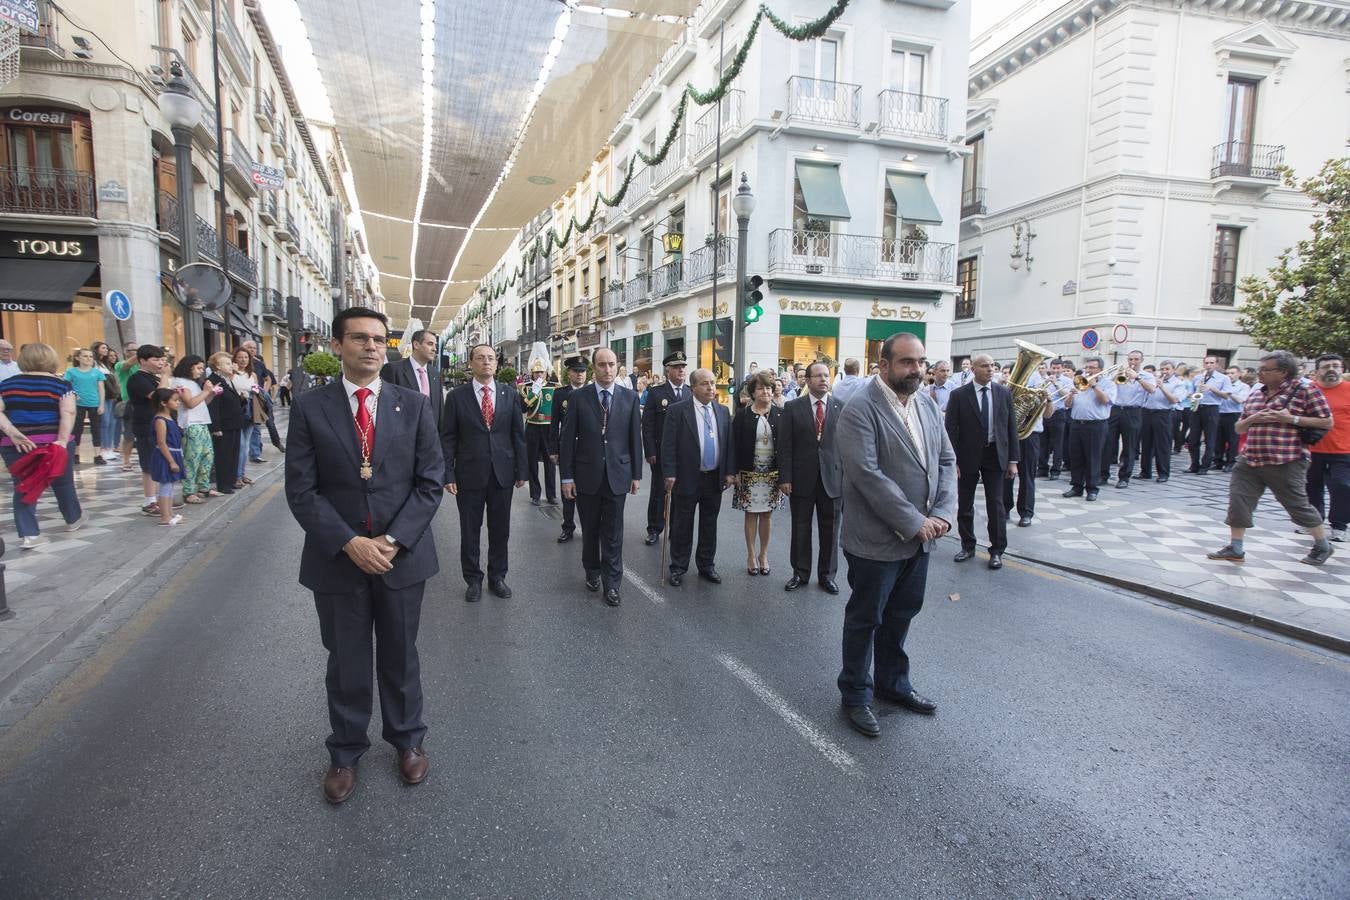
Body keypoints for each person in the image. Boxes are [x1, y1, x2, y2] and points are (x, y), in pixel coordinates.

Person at [284, 306, 443, 805]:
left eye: (378, 339)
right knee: (346, 658)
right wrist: (349, 542)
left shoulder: (413, 405)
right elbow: (301, 489)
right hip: (338, 559)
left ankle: (407, 740)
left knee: (401, 654)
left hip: (402, 557)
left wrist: (393, 540)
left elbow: (430, 482)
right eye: (359, 338)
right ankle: (346, 750)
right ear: (337, 346)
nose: (371, 346)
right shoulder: (310, 408)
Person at [836, 332, 955, 738]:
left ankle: (893, 683)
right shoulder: (860, 409)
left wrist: (941, 513)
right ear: (883, 365)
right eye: (907, 362)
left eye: (921, 362)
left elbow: (946, 459)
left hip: (921, 537)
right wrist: (913, 521)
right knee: (866, 620)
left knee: (902, 614)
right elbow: (867, 475)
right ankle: (855, 694)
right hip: (876, 541)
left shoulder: (926, 403)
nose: (916, 370)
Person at [1206, 350, 1334, 567]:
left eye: (1266, 370)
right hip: (1250, 458)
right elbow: (1239, 427)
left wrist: (1291, 418)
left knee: (1297, 505)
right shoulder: (1256, 393)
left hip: (1286, 459)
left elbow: (1327, 421)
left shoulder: (1305, 390)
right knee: (1238, 502)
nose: (1260, 373)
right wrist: (1253, 419)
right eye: (1260, 369)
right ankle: (1235, 547)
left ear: (1283, 372)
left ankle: (1322, 544)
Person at [441, 343, 526, 602]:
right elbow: (448, 438)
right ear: (471, 363)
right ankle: (473, 580)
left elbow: (518, 435)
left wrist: (522, 470)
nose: (486, 362)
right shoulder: (456, 397)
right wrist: (448, 473)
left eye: (490, 358)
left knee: (500, 529)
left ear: (496, 364)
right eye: (480, 358)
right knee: (470, 530)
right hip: (469, 474)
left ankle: (497, 577)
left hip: (502, 473)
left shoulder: (509, 394)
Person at [559, 348, 643, 607]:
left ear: (617, 366)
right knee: (591, 529)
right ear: (593, 368)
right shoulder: (578, 398)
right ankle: (592, 570)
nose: (608, 369)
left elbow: (634, 438)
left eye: (611, 364)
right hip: (587, 475)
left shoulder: (630, 397)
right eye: (602, 365)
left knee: (614, 532)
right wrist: (566, 477)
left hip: (618, 474)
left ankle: (612, 583)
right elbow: (567, 440)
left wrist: (636, 474)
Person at [0, 342, 82, 548]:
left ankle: (30, 534)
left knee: (24, 486)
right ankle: (73, 519)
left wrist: (12, 432)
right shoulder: (61, 385)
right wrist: (62, 441)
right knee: (63, 483)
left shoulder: (6, 385)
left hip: (16, 445)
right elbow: (68, 412)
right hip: (52, 442)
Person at [662, 367, 735, 586]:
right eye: (705, 383)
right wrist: (669, 473)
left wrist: (729, 471)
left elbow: (729, 443)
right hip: (686, 477)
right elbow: (668, 445)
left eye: (712, 382)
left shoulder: (722, 411)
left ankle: (706, 565)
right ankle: (678, 567)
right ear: (693, 387)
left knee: (709, 524)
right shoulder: (678, 411)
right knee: (682, 524)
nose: (711, 387)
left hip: (713, 478)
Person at [945, 354, 1018, 569]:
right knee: (965, 504)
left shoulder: (1003, 392)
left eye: (992, 365)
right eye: (985, 366)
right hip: (967, 456)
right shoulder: (959, 395)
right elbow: (950, 430)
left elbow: (1011, 428)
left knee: (996, 504)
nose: (990, 369)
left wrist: (1013, 460)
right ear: (973, 369)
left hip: (995, 454)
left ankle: (997, 551)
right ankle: (968, 546)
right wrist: (952, 461)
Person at [777, 360, 844, 594]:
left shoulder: (840, 407)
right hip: (801, 478)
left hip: (832, 480)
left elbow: (847, 447)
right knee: (800, 527)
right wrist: (785, 478)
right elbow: (785, 446)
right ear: (807, 380)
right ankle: (800, 573)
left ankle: (827, 576)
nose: (824, 379)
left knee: (831, 530)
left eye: (827, 375)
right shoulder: (793, 407)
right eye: (818, 376)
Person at [730, 371, 782, 577]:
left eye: (768, 388)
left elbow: (787, 447)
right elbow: (733, 445)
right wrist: (734, 472)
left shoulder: (781, 414)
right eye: (760, 388)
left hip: (772, 474)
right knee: (751, 514)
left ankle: (763, 555)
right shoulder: (742, 415)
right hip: (748, 473)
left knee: (767, 514)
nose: (765, 391)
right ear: (752, 392)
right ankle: (751, 555)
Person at [641, 351, 690, 546]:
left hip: (684, 455)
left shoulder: (689, 392)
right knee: (658, 493)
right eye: (677, 367)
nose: (681, 370)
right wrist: (650, 451)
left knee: (680, 495)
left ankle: (675, 529)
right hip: (661, 453)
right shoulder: (656, 393)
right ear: (668, 370)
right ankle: (654, 528)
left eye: (683, 367)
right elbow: (647, 425)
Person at [1306, 354, 1347, 543]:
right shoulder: (1308, 390)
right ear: (1317, 371)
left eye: (1335, 366)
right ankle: (1314, 522)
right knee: (1311, 487)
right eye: (1326, 366)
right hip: (1312, 448)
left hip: (1343, 449)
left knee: (1342, 485)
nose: (1331, 369)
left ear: (1342, 369)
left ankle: (1339, 525)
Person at [1003, 369, 1053, 528]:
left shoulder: (1039, 387)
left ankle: (1026, 513)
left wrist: (1048, 401)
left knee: (1027, 476)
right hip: (1010, 435)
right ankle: (1004, 508)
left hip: (1030, 435)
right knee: (1006, 475)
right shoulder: (1008, 389)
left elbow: (1048, 415)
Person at [549, 355, 589, 543]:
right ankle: (568, 526)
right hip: (567, 448)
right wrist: (553, 449)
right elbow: (553, 424)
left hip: (587, 449)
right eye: (576, 371)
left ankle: (589, 526)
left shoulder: (592, 392)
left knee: (586, 490)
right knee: (567, 489)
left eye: (582, 371)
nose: (580, 375)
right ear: (569, 373)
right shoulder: (560, 394)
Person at [1063, 356, 1116, 502]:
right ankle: (1076, 487)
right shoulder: (1079, 382)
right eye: (1087, 367)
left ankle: (1092, 489)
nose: (1088, 370)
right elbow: (1067, 405)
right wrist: (1071, 395)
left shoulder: (1108, 384)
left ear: (1100, 369)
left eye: (1092, 368)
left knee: (1093, 457)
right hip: (1076, 424)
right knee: (1076, 456)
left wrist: (1094, 386)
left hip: (1095, 425)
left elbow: (1106, 400)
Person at [127, 345, 170, 515]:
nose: (160, 363)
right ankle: (150, 501)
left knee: (160, 460)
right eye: (156, 359)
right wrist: (165, 376)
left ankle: (162, 498)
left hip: (161, 423)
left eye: (162, 359)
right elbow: (158, 397)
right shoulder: (137, 379)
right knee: (149, 463)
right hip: (146, 424)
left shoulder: (154, 378)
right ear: (143, 361)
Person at [171, 356, 219, 504]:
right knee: (192, 459)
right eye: (198, 368)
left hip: (202, 422)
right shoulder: (180, 382)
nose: (201, 371)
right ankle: (188, 491)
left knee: (207, 456)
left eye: (202, 368)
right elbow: (190, 403)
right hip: (190, 424)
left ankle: (203, 487)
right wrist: (206, 391)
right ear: (189, 367)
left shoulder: (193, 383)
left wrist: (210, 393)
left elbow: (202, 402)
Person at [1101, 350, 1151, 488]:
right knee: (1107, 443)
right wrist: (1116, 375)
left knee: (1129, 445)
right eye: (1130, 359)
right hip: (1115, 409)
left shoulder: (1146, 376)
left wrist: (1137, 378)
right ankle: (1102, 475)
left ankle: (1124, 477)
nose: (1132, 362)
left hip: (1133, 411)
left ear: (1142, 360)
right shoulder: (1121, 372)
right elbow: (1108, 386)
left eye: (1136, 359)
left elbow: (1152, 390)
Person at [381, 329, 443, 432]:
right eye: (430, 344)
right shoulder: (393, 370)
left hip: (430, 435)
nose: (434, 349)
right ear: (416, 344)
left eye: (435, 345)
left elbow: (440, 411)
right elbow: (386, 409)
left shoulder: (435, 374)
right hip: (403, 435)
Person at [206, 352, 247, 496]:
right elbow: (214, 405)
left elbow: (231, 399)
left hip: (233, 423)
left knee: (233, 453)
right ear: (218, 366)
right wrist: (216, 427)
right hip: (224, 425)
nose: (232, 366)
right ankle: (224, 484)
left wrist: (241, 399)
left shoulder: (227, 379)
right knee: (224, 454)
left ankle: (231, 480)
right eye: (227, 363)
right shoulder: (214, 380)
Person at [521, 349, 557, 507]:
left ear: (546, 373)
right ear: (532, 373)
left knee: (550, 462)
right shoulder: (526, 388)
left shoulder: (555, 388)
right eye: (536, 373)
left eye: (541, 372)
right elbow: (523, 408)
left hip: (548, 428)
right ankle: (535, 494)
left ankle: (551, 494)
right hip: (532, 427)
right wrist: (534, 391)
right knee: (532, 462)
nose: (539, 375)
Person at [1187, 356, 1233, 474]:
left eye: (1211, 363)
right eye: (1206, 363)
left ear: (1216, 364)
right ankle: (1194, 464)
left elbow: (1226, 396)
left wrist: (1212, 388)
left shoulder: (1224, 378)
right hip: (1197, 408)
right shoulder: (1197, 377)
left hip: (1212, 408)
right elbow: (1190, 393)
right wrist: (1193, 395)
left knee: (1210, 439)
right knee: (1193, 439)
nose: (1208, 365)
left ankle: (1205, 466)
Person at [1139, 361, 1183, 482]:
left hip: (1163, 414)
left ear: (1173, 370)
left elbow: (1174, 400)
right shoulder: (1154, 380)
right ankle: (1145, 471)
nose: (1164, 372)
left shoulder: (1178, 383)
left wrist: (1162, 387)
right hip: (1147, 412)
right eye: (1162, 369)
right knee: (1146, 444)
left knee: (1162, 445)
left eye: (1167, 369)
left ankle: (1163, 473)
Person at [240, 339, 284, 457]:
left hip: (258, 397)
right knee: (253, 426)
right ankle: (254, 452)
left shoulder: (259, 364)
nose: (252, 350)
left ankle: (274, 443)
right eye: (249, 347)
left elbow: (268, 379)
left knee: (268, 422)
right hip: (245, 398)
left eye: (254, 348)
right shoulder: (238, 363)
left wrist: (264, 392)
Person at [63, 347, 107, 466]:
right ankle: (76, 454)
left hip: (94, 403)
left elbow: (101, 389)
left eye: (90, 356)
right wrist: (74, 395)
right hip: (77, 404)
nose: (88, 358)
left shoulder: (97, 372)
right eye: (85, 356)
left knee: (96, 429)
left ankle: (97, 455)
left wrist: (101, 405)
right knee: (77, 429)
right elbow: (66, 385)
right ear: (78, 358)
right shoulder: (71, 372)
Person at [149, 389, 185, 526]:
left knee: (170, 486)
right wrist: (171, 461)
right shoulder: (160, 420)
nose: (178, 403)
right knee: (165, 485)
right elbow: (161, 442)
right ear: (163, 403)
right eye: (175, 400)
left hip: (174, 453)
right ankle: (164, 516)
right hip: (166, 455)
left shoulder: (170, 417)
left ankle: (170, 513)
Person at [232, 348, 262, 484]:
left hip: (249, 413)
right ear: (234, 359)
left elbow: (257, 391)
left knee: (245, 447)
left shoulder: (252, 375)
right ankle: (237, 476)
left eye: (246, 357)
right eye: (240, 357)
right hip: (236, 412)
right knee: (241, 445)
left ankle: (242, 474)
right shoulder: (231, 374)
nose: (243, 360)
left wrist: (254, 392)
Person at [1039, 358, 1073, 479]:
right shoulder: (1045, 379)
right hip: (1045, 412)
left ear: (1062, 368)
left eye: (1058, 368)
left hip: (1059, 413)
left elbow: (1066, 395)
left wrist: (1055, 384)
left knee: (1058, 443)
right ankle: (1042, 468)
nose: (1055, 370)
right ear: (1050, 368)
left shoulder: (1067, 381)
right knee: (1043, 442)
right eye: (1053, 368)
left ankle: (1055, 470)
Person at [1215, 365, 1251, 472]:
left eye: (1232, 373)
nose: (1229, 375)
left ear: (1239, 374)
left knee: (1232, 439)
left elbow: (1241, 400)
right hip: (1220, 413)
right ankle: (1218, 461)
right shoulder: (1222, 384)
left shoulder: (1244, 386)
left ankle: (1231, 462)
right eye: (1227, 373)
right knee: (1219, 439)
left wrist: (1230, 392)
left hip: (1233, 414)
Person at [95, 345, 122, 462]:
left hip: (111, 396)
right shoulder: (95, 364)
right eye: (103, 348)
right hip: (102, 396)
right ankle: (103, 448)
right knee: (105, 422)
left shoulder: (106, 365)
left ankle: (109, 447)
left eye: (106, 348)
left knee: (112, 422)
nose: (105, 350)